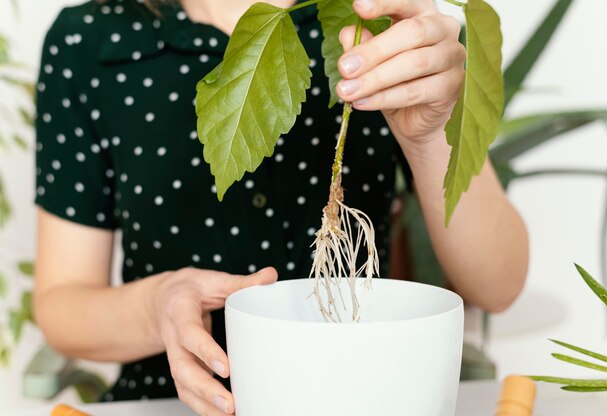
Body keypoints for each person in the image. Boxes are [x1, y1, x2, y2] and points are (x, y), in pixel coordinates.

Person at [33, 0, 529, 414]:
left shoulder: (383, 26)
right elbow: (62, 306)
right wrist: (160, 301)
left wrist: (428, 137)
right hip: (171, 403)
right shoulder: (91, 42)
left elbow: (498, 283)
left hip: (364, 398)